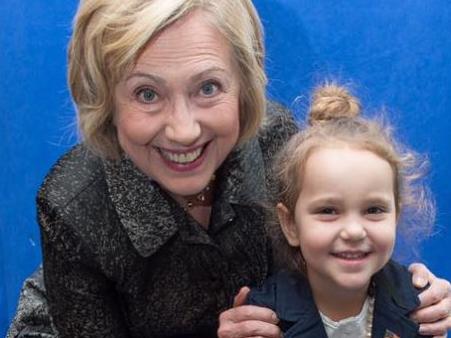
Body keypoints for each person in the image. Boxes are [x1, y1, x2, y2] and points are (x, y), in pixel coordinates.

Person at [7, 1, 451, 337]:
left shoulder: (276, 139)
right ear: (105, 101)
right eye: (146, 94)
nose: (183, 131)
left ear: (244, 85)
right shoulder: (72, 204)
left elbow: (330, 239)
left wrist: (401, 291)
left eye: (208, 87)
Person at [244, 83, 436, 337]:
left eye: (374, 209)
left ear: (396, 216)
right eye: (328, 211)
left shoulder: (421, 306)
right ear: (290, 225)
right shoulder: (263, 318)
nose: (354, 231)